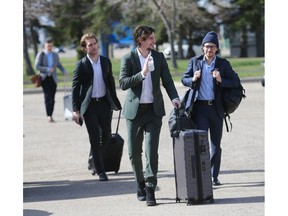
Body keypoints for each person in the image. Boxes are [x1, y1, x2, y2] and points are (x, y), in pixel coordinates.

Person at [119, 25, 181, 206]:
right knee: (133, 153)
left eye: (154, 38)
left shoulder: (159, 57)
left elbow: (167, 81)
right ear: (141, 40)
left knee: (151, 152)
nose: (154, 41)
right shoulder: (128, 58)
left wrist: (175, 98)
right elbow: (123, 83)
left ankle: (150, 187)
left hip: (154, 112)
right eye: (151, 38)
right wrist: (142, 73)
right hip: (134, 113)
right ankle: (139, 183)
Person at [181, 31, 240, 186]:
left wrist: (221, 80)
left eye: (212, 47)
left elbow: (236, 82)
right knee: (201, 144)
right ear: (203, 48)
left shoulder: (223, 64)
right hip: (200, 109)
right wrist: (193, 79)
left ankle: (214, 176)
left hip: (216, 109)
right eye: (206, 46)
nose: (209, 49)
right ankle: (203, 174)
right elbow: (184, 79)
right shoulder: (195, 62)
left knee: (216, 144)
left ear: (217, 49)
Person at [71, 33, 122, 181]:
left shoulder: (105, 62)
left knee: (106, 136)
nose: (93, 47)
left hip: (104, 104)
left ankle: (93, 158)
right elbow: (75, 88)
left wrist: (115, 102)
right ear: (84, 48)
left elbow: (110, 83)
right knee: (94, 138)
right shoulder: (81, 65)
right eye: (90, 45)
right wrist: (76, 110)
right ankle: (101, 171)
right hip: (90, 106)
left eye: (94, 43)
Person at [35, 39, 68, 122]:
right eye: (48, 46)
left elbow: (59, 65)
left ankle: (51, 114)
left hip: (53, 79)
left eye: (50, 46)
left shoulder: (55, 55)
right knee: (47, 97)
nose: (49, 47)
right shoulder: (41, 54)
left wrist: (64, 71)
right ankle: (49, 115)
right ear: (45, 46)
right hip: (44, 78)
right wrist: (48, 69)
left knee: (52, 98)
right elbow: (37, 66)